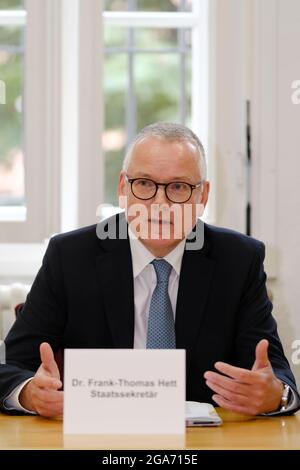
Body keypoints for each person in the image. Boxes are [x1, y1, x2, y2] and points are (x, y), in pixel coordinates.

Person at [0, 122, 299, 418]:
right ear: (122, 187)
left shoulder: (239, 260)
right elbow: (11, 367)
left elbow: (275, 376)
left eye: (178, 187)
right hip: (98, 435)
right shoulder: (70, 257)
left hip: (202, 442)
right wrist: (30, 393)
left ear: (202, 196)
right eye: (144, 184)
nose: (159, 203)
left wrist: (275, 396)